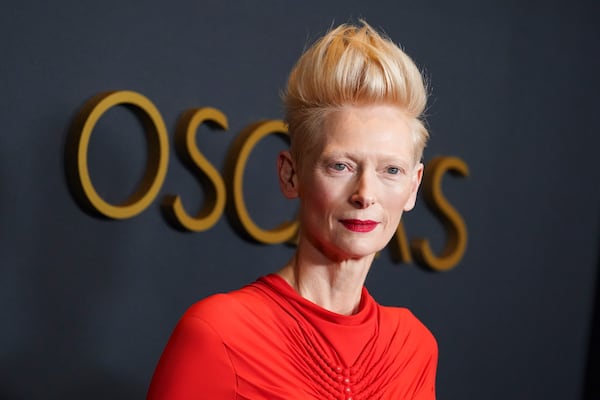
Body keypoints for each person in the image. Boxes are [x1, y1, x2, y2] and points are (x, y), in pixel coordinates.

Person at [147, 20, 437, 400]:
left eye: (391, 170)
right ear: (290, 174)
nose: (365, 194)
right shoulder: (218, 332)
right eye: (341, 166)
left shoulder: (413, 346)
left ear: (413, 186)